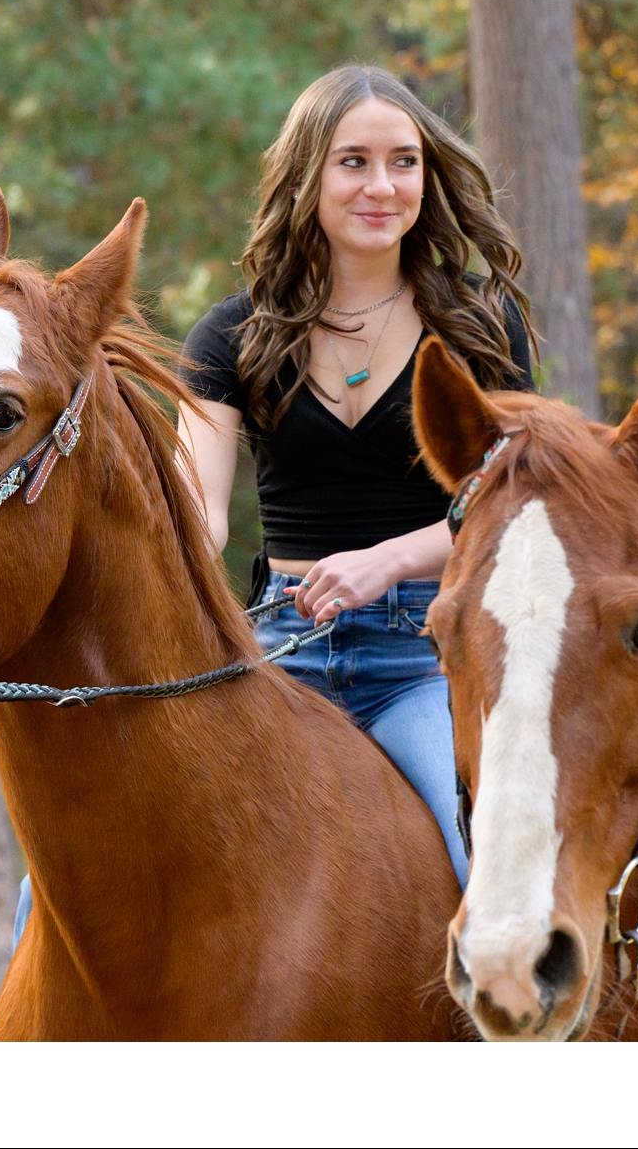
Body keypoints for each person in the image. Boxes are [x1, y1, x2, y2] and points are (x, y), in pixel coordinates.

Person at [181, 64, 533, 891]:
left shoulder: (481, 324)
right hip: (279, 643)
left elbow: (511, 504)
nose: (383, 185)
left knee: (478, 857)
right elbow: (197, 514)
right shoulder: (233, 333)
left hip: (431, 653)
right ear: (308, 176)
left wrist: (387, 562)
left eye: (403, 162)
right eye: (354, 162)